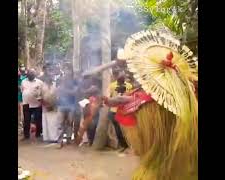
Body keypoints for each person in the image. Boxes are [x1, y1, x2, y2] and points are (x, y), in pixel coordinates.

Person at [83, 29, 198, 180]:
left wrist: (99, 71)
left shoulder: (173, 79)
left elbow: (135, 96)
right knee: (162, 153)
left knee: (165, 151)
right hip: (164, 116)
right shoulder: (153, 80)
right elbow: (133, 95)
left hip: (168, 116)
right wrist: (109, 97)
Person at [108, 70, 133, 152]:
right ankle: (124, 145)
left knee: (121, 130)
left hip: (121, 111)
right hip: (120, 111)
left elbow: (108, 98)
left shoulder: (128, 86)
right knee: (121, 130)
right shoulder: (112, 86)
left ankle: (124, 145)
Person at [39, 64, 60, 144]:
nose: (50, 78)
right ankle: (47, 138)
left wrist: (53, 104)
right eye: (48, 77)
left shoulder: (55, 85)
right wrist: (45, 104)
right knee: (46, 122)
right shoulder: (42, 85)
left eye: (51, 77)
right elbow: (39, 96)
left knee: (54, 123)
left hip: (54, 106)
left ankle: (54, 138)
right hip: (45, 106)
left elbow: (58, 95)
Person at [21, 69, 43, 141]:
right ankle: (26, 135)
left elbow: (42, 92)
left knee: (38, 120)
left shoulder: (39, 82)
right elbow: (22, 90)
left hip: (37, 104)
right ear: (27, 74)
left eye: (32, 73)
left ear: (35, 74)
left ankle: (38, 134)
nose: (31, 74)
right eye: (30, 73)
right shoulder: (23, 81)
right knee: (26, 120)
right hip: (26, 103)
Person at [57, 70, 78, 144]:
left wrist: (64, 91)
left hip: (71, 105)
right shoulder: (60, 81)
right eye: (66, 74)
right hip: (61, 105)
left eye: (68, 74)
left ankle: (68, 140)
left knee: (70, 123)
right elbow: (58, 91)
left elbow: (75, 92)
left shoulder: (74, 82)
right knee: (60, 123)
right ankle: (60, 141)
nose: (67, 75)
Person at [18, 65, 27, 135]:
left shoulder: (25, 79)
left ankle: (22, 128)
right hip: (20, 99)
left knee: (22, 114)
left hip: (22, 99)